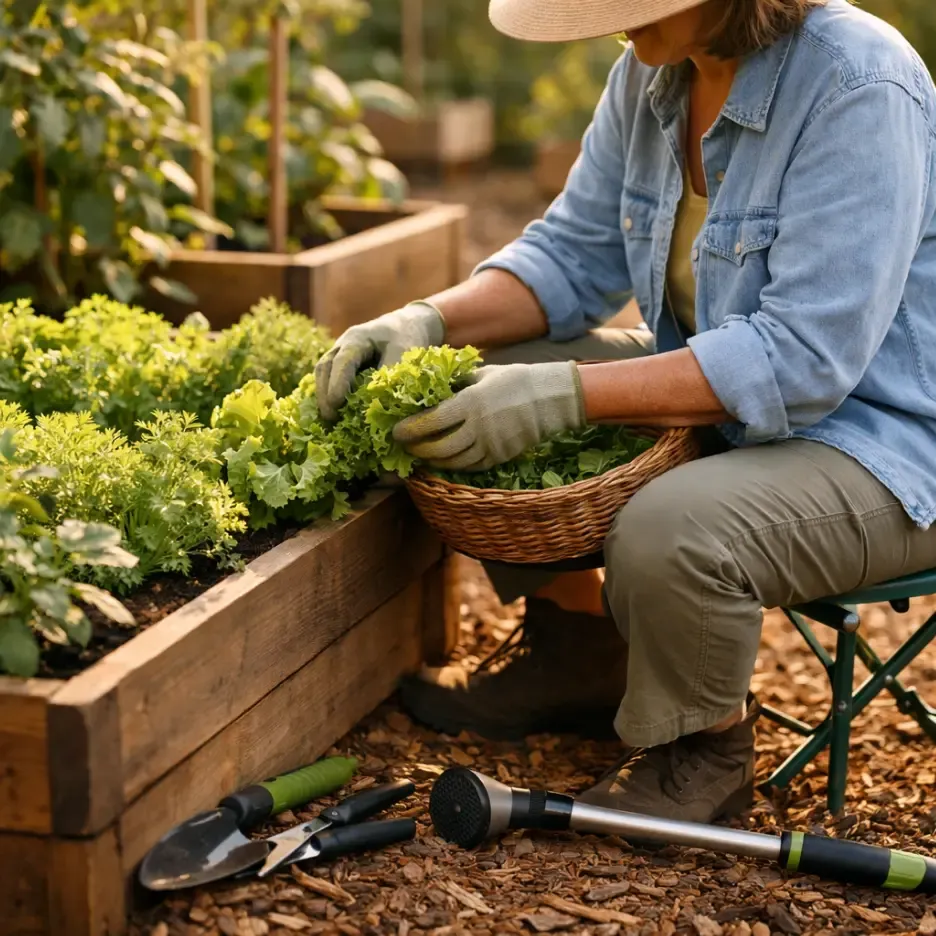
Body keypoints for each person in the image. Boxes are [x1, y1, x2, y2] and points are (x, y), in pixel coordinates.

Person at [315, 0, 936, 823]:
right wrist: (427, 322)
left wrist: (567, 394)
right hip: (725, 404)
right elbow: (569, 258)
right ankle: (577, 653)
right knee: (465, 380)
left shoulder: (859, 83)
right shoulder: (653, 77)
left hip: (878, 441)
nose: (611, 24)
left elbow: (804, 358)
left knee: (671, 527)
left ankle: (704, 749)